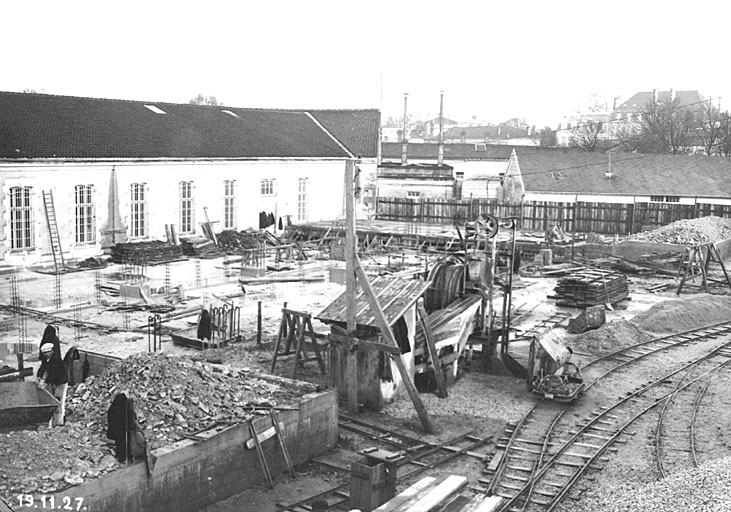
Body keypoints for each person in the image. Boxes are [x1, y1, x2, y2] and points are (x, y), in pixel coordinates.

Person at [37, 324, 68, 427]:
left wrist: (45, 382)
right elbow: (43, 367)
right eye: (44, 353)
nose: (45, 355)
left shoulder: (56, 360)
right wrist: (39, 376)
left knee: (59, 401)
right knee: (52, 401)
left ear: (51, 351)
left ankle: (59, 423)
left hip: (60, 382)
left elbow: (52, 372)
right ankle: (52, 422)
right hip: (54, 382)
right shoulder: (47, 359)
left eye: (47, 353)